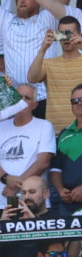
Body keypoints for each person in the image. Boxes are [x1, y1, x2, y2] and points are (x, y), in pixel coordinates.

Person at [0, 85, 55, 216]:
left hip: (35, 203)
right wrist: (7, 179)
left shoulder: (44, 126)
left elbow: (43, 162)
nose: (22, 101)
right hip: (0, 201)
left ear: (35, 104)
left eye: (27, 98)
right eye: (18, 97)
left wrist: (15, 186)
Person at [30, 17, 82, 132]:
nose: (66, 37)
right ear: (57, 36)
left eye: (70, 33)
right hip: (56, 132)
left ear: (79, 35)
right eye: (62, 34)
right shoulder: (49, 63)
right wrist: (43, 49)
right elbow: (32, 78)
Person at [52, 84, 82, 213]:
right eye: (74, 101)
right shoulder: (64, 133)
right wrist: (60, 190)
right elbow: (55, 168)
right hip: (67, 203)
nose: (79, 103)